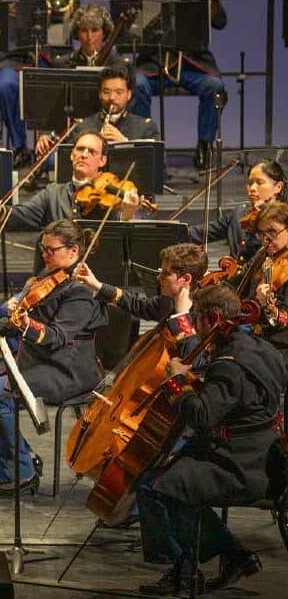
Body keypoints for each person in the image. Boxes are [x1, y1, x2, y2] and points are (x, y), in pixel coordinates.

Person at [135, 283, 285, 595]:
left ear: (213, 318)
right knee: (167, 474)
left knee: (153, 486)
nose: (194, 325)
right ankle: (219, 560)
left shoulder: (228, 364)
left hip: (240, 466)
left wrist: (178, 383)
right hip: (265, 453)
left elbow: (202, 417)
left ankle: (202, 563)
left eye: (197, 318)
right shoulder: (265, 348)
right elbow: (245, 400)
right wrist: (203, 384)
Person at [0, 219, 108, 496]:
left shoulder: (81, 292)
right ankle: (23, 459)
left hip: (64, 369)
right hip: (35, 359)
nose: (44, 255)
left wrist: (26, 324)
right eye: (42, 249)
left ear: (73, 251)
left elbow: (57, 337)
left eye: (51, 250)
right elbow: (12, 324)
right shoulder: (45, 278)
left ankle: (21, 473)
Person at [134, 0, 227, 170]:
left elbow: (220, 21)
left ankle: (204, 147)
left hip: (193, 63)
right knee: (137, 84)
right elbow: (136, 29)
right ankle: (145, 147)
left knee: (215, 87)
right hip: (155, 62)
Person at [0, 0, 72, 163]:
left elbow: (68, 33)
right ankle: (20, 147)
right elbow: (10, 30)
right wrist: (35, 4)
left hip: (53, 59)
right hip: (18, 58)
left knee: (65, 84)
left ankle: (53, 148)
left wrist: (65, 15)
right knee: (6, 85)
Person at [0, 131, 140, 230]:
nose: (84, 155)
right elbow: (21, 216)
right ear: (72, 155)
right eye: (80, 149)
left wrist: (128, 213)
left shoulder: (112, 196)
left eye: (92, 152)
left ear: (102, 161)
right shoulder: (53, 193)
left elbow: (121, 237)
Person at [74, 242, 206, 357]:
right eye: (160, 272)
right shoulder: (168, 301)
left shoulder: (205, 314)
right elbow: (137, 304)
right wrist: (97, 285)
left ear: (186, 279)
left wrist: (182, 316)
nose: (158, 278)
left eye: (166, 274)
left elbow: (196, 359)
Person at [34, 67, 158, 157]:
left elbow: (156, 167)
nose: (112, 98)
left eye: (119, 92)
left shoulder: (146, 128)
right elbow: (68, 162)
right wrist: (47, 142)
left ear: (129, 94)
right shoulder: (82, 126)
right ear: (99, 94)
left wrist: (125, 143)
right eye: (106, 92)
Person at [54, 5, 151, 115]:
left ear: (104, 33)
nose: (89, 37)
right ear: (77, 33)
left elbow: (128, 113)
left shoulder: (122, 66)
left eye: (95, 30)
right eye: (84, 31)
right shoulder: (63, 64)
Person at [190, 158, 285, 261]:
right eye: (250, 183)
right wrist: (177, 231)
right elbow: (200, 233)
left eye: (259, 182)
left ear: (278, 187)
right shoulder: (239, 214)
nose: (252, 188)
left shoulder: (284, 220)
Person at [246, 202, 288, 362]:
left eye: (272, 232)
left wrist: (268, 306)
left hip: (281, 346)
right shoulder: (262, 256)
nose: (266, 239)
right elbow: (236, 284)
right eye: (261, 233)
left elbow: (284, 320)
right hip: (257, 339)